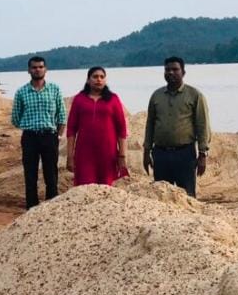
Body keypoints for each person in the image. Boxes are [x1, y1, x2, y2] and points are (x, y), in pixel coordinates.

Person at [142, 56, 212, 197]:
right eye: (167, 70)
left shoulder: (195, 95)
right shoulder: (156, 96)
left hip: (184, 154)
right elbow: (150, 124)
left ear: (183, 72)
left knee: (187, 195)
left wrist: (202, 154)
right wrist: (146, 152)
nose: (171, 72)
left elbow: (202, 125)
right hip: (160, 154)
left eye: (175, 69)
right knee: (161, 195)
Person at [11, 56, 67, 209]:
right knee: (30, 175)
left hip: (49, 136)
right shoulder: (22, 92)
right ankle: (31, 209)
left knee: (51, 174)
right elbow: (15, 118)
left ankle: (51, 208)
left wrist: (58, 135)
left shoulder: (54, 89)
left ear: (46, 69)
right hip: (30, 137)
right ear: (29, 70)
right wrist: (28, 126)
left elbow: (62, 116)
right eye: (34, 67)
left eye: (41, 67)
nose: (37, 70)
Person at [66, 66, 128, 186]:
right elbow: (71, 129)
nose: (99, 79)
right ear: (88, 80)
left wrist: (122, 155)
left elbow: (121, 129)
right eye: (95, 77)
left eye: (102, 77)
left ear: (105, 80)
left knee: (106, 186)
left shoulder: (113, 99)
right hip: (84, 152)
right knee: (84, 186)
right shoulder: (79, 99)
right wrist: (70, 156)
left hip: (108, 152)